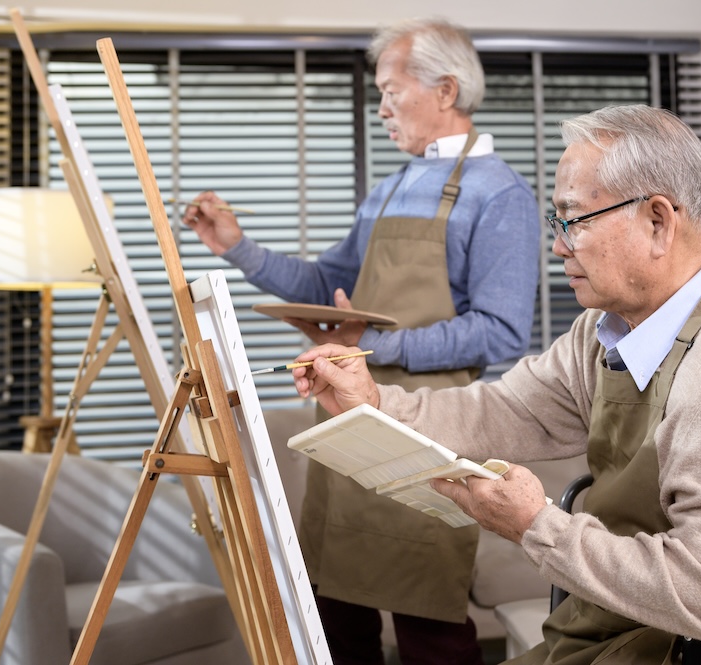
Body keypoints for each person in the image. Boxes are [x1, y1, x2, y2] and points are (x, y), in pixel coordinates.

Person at [288, 104, 701, 664]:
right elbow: (509, 410)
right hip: (642, 622)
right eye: (556, 222)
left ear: (658, 222)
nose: (559, 245)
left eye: (574, 221)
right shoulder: (607, 329)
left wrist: (537, 525)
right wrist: (376, 401)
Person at [185, 17, 541, 665]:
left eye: (390, 91)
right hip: (351, 423)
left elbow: (501, 331)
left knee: (427, 622)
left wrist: (378, 350)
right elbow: (330, 282)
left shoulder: (500, 194)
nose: (380, 109)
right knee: (334, 612)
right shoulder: (391, 188)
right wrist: (237, 248)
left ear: (445, 90)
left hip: (426, 434)